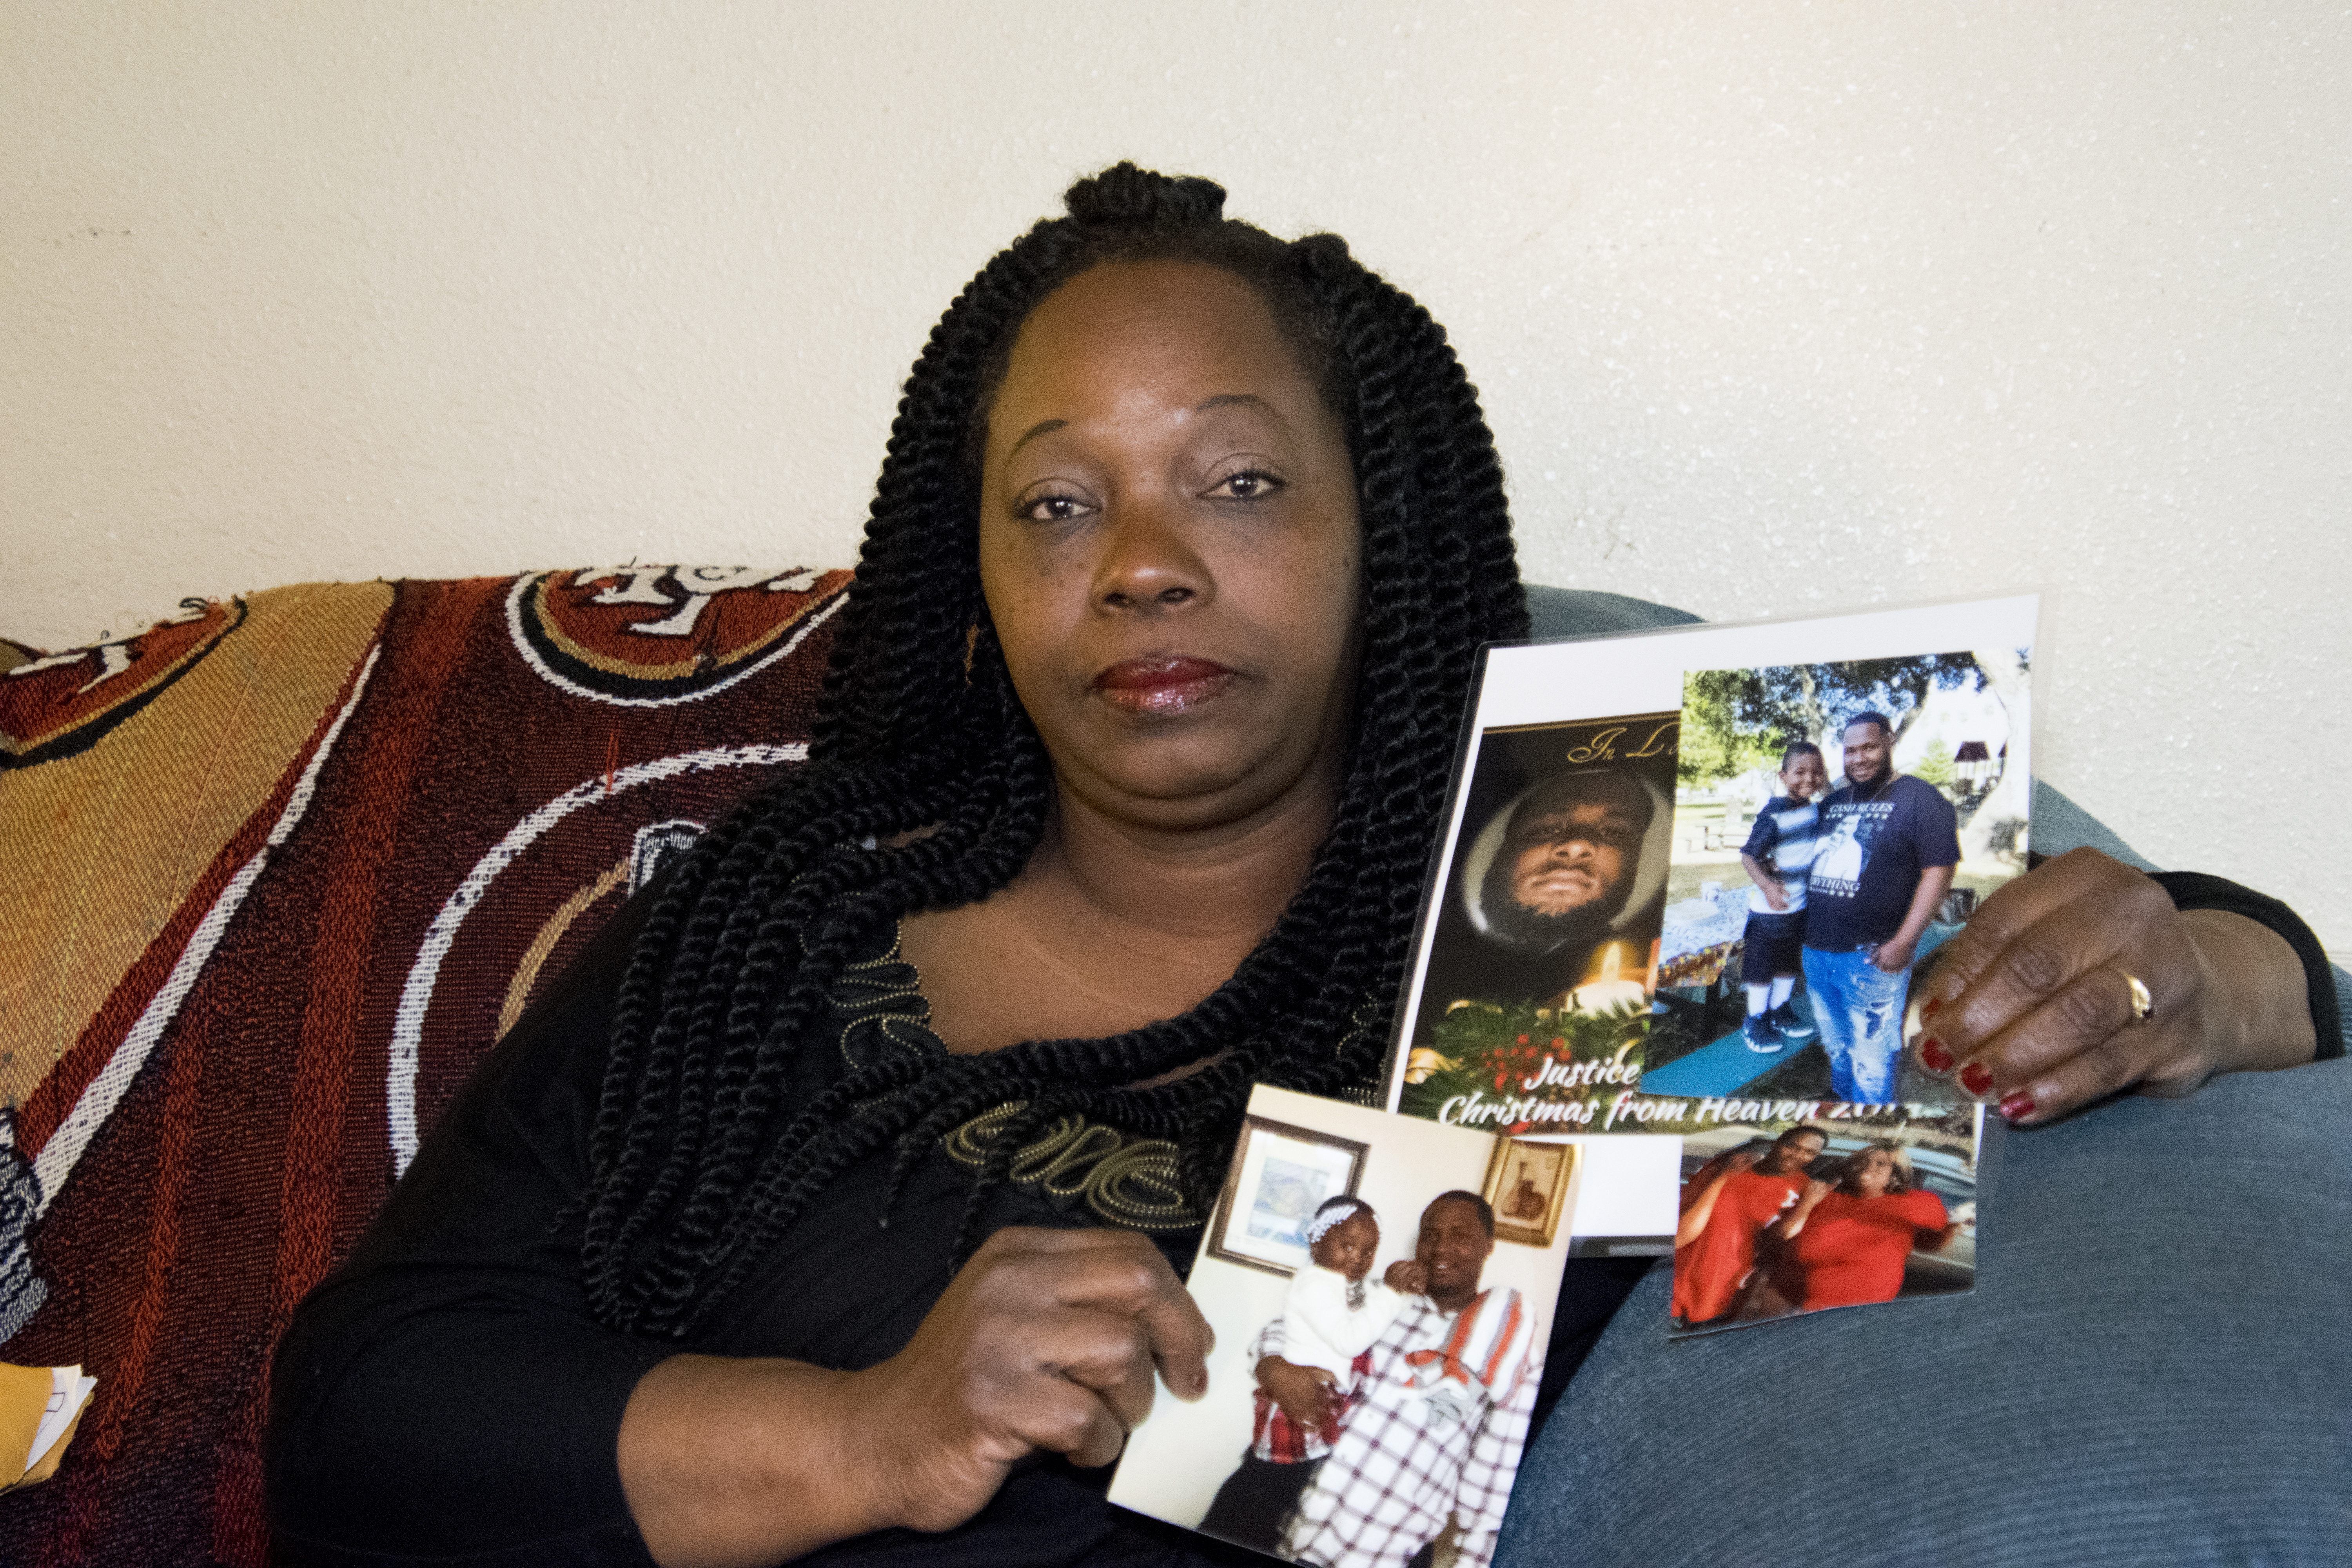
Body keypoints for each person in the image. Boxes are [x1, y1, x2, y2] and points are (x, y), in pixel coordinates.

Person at [265, 165, 2339, 1568]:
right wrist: (872, 1433)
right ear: (971, 592)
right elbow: (365, 1414)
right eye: (1056, 507)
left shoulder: (1594, 931)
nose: (1147, 557)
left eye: (1240, 483)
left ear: (1392, 552)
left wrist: (2199, 973)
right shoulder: (765, 938)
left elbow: (2148, 1033)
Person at [1253, 1193, 1535, 1568]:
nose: (1440, 1248)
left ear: (1489, 1246)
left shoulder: (1506, 1342)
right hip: (1295, 1525)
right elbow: (1287, 1326)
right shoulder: (1380, 1297)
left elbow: (1493, 1475)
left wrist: (1473, 1562)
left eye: (1460, 1235)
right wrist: (1275, 1366)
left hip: (1386, 1553)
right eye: (1430, 1235)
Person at [1197, 1197, 1401, 1554]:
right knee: (1255, 1504)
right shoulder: (1321, 1284)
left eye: (1368, 1252)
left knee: (1268, 1500)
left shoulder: (1353, 1292)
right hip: (1299, 1419)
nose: (1358, 1258)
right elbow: (1281, 1333)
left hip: (1336, 1494)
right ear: (1316, 1241)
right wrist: (1274, 1366)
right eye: (1348, 1245)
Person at [1800, 712, 1960, 1102]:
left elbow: (1939, 872)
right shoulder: (1834, 802)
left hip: (1873, 959)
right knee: (1836, 1044)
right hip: (1816, 952)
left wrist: (1905, 942)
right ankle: (1843, 1101)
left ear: (1890, 741)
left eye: (1869, 747)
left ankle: (1870, 1114)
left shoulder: (1922, 799)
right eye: (1850, 750)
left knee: (1871, 1057)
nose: (1858, 758)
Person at [1763, 1142, 1962, 1312]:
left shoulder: (1916, 1203)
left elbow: (1938, 1224)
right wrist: (1808, 1203)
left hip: (1856, 1309)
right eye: (1863, 1161)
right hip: (1794, 1299)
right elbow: (1783, 1238)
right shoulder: (1828, 1198)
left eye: (1881, 1164)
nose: (1868, 1167)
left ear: (1896, 1174)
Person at [1669, 1125, 1827, 1328]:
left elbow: (1780, 1239)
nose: (1798, 1155)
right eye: (1792, 1146)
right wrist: (1723, 1176)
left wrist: (1806, 1205)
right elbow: (1681, 1229)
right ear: (1777, 1142)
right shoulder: (1734, 1165)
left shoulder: (1805, 1190)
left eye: (1810, 1153)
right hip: (1677, 1281)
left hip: (1725, 1296)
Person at [1735, 741, 1828, 1054]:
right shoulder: (1774, 814)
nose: (1809, 779)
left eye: (1817, 772)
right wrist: (1767, 886)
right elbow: (1749, 855)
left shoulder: (1814, 810)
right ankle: (1755, 1018)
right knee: (1762, 968)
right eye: (1800, 772)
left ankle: (1779, 1010)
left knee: (1789, 965)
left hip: (1799, 908)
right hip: (1769, 912)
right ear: (1784, 776)